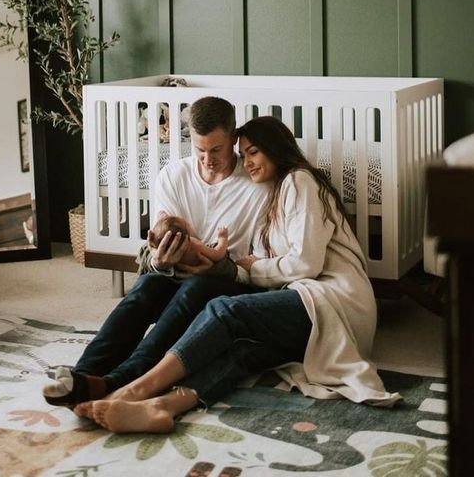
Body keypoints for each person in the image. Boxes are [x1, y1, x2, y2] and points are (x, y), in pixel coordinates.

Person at [73, 115, 400, 433]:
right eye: (244, 154)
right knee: (241, 350)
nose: (248, 162)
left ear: (276, 148)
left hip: (332, 299)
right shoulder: (271, 199)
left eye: (254, 152)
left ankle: (131, 390)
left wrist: (246, 271)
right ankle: (164, 407)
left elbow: (305, 264)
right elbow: (267, 261)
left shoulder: (299, 180)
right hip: (304, 302)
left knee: (225, 310)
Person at [43, 96, 269, 407]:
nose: (208, 159)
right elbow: (160, 239)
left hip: (221, 279)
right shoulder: (174, 175)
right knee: (145, 288)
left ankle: (118, 381)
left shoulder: (257, 185)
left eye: (216, 150)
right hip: (173, 270)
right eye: (200, 150)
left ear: (233, 139)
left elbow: (258, 262)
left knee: (194, 289)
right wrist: (161, 260)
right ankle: (83, 374)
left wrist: (222, 267)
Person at [147, 214, 235, 279]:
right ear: (187, 237)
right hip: (196, 279)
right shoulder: (195, 247)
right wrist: (223, 238)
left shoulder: (162, 253)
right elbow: (218, 254)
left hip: (171, 277)